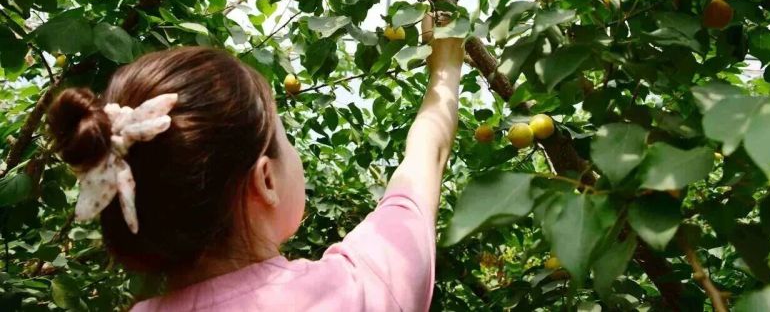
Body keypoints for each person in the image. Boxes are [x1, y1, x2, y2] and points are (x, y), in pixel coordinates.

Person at [46, 17, 464, 311]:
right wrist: (446, 66)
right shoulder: (352, 292)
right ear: (265, 179)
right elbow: (425, 158)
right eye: (285, 137)